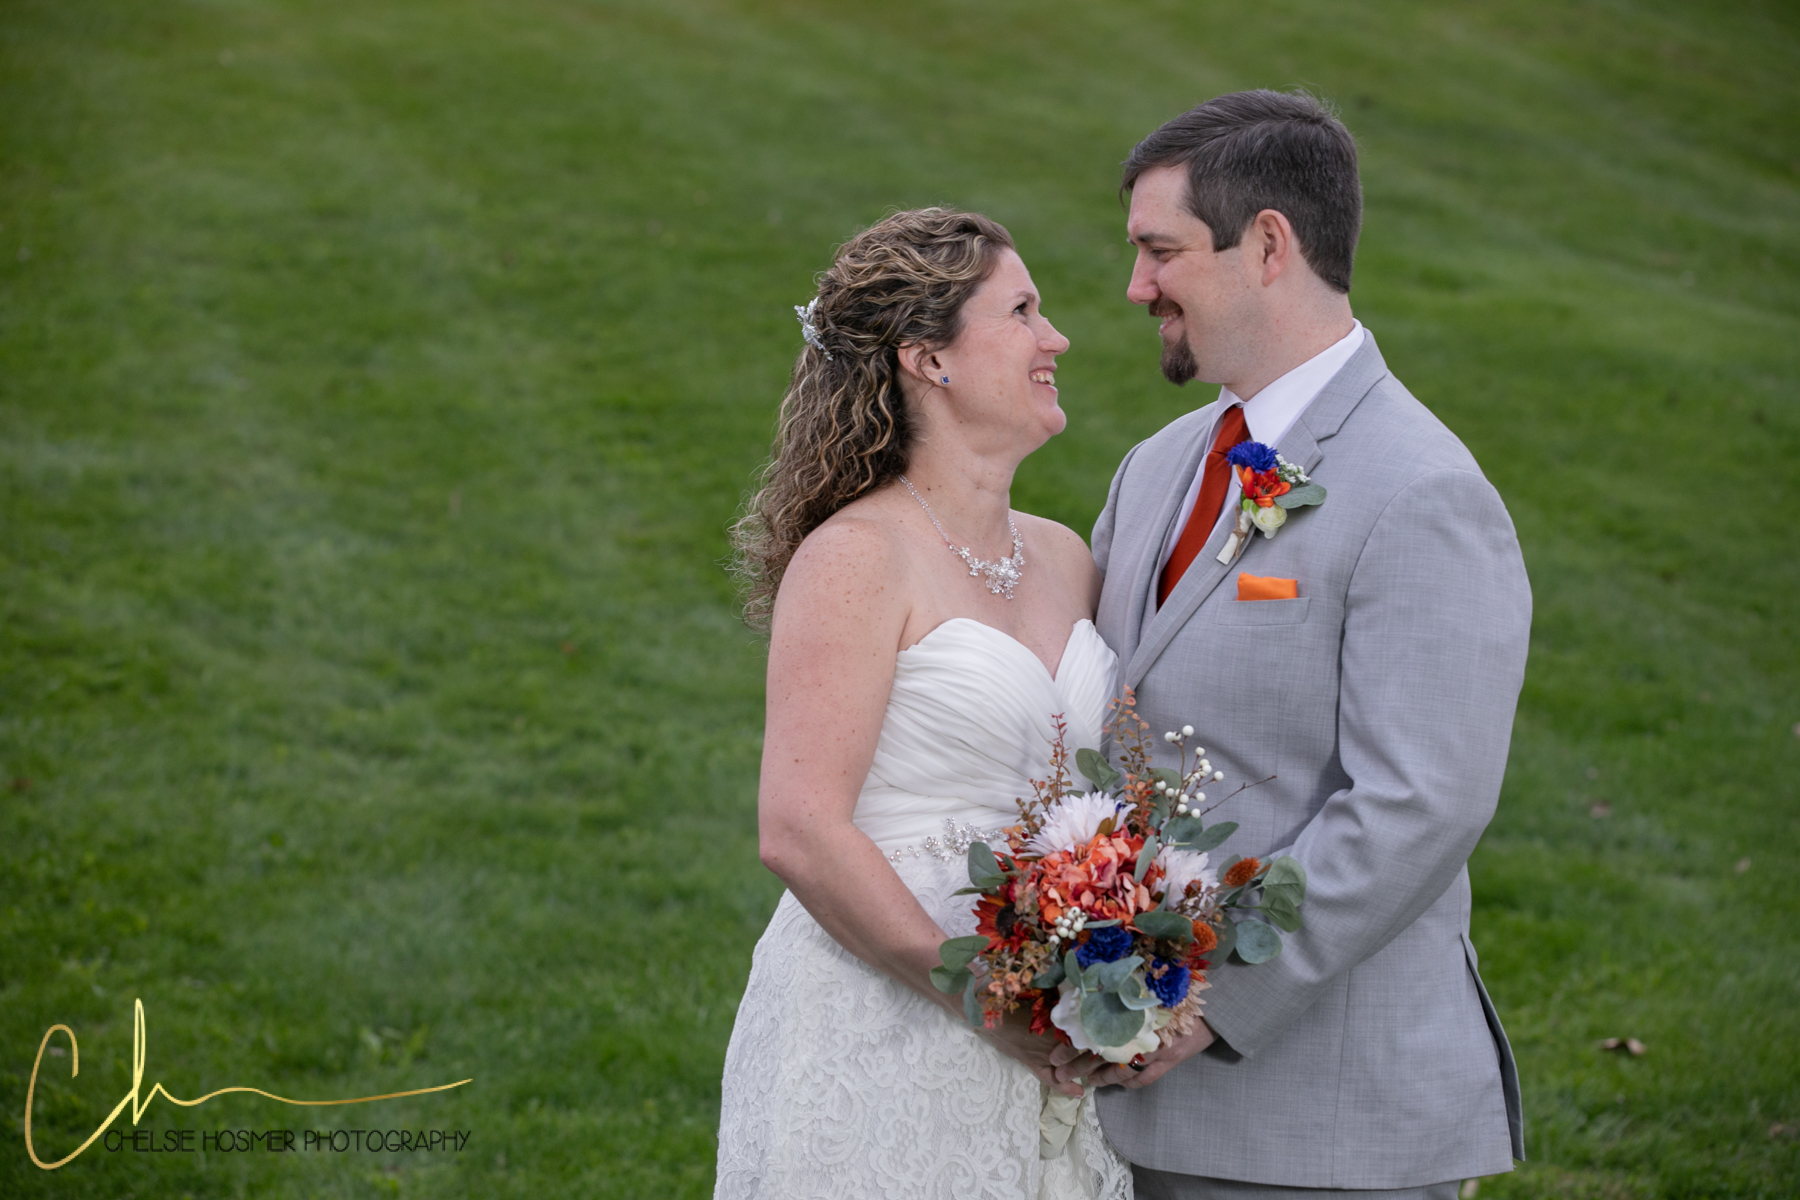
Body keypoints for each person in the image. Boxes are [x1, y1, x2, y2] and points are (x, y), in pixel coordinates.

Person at [1067, 90, 1532, 1199]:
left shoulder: (1422, 492)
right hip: (1124, 1105)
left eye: (1161, 251)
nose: (1136, 286)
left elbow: (1421, 801)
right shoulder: (1158, 466)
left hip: (1320, 1123)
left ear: (1269, 245)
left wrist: (1205, 1001)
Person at [715, 208, 1133, 1199]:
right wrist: (988, 1000)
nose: (1055, 338)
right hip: (888, 1018)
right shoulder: (856, 558)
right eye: (1022, 313)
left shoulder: (1066, 557)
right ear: (928, 358)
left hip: (1064, 1014)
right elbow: (800, 829)